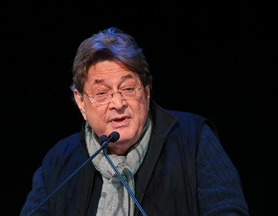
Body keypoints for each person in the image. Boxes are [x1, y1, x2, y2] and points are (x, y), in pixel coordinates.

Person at [20, 27, 249, 216]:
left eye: (128, 88)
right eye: (101, 93)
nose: (118, 103)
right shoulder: (59, 162)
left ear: (147, 92)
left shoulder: (194, 140)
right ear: (80, 102)